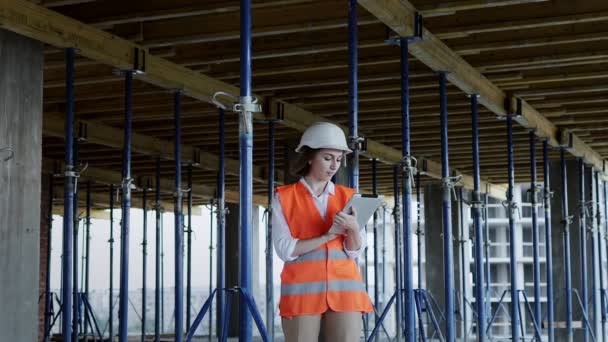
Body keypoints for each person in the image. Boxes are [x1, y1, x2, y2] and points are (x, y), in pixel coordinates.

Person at [272, 122, 373, 342]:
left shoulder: (348, 196)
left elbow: (354, 250)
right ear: (309, 157)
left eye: (338, 159)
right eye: (327, 158)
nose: (334, 165)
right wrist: (327, 236)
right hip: (302, 295)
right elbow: (286, 250)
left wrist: (354, 228)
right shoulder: (284, 197)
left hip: (345, 293)